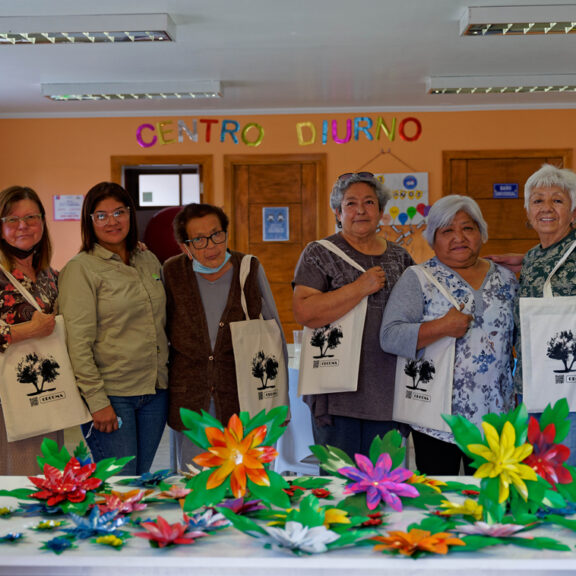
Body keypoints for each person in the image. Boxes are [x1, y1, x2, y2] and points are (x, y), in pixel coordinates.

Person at [380, 195, 517, 475]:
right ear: (433, 238)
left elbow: (521, 341)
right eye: (447, 230)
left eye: (468, 228)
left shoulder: (506, 279)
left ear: (481, 233)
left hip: (496, 417)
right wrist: (441, 327)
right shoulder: (417, 278)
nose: (459, 237)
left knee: (492, 501)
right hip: (436, 419)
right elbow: (390, 336)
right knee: (440, 500)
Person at [292, 172, 413, 459]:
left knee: (387, 485)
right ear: (338, 211)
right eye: (351, 203)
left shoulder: (400, 257)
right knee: (338, 486)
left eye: (369, 202)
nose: (361, 210)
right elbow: (305, 312)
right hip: (336, 395)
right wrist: (359, 288)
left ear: (381, 211)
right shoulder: (319, 253)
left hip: (390, 394)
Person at [163, 202, 287, 472]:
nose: (211, 246)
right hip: (191, 402)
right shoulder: (172, 272)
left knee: (247, 483)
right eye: (199, 239)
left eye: (216, 234)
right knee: (195, 484)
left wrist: (281, 402)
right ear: (185, 246)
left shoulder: (248, 268)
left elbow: (274, 337)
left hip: (244, 400)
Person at [58, 182, 169, 475]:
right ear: (89, 221)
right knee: (119, 487)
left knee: (141, 480)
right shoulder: (81, 269)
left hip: (155, 391)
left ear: (131, 215)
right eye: (101, 215)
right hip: (112, 395)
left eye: (119, 212)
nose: (112, 221)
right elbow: (77, 344)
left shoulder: (148, 259)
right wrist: (96, 402)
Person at [514, 164, 576, 465]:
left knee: (564, 482)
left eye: (558, 200)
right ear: (528, 211)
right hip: (532, 385)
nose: (547, 208)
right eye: (538, 200)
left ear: (574, 212)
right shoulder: (531, 257)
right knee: (536, 479)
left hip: (570, 392)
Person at [0, 186, 62, 475]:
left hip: (47, 393)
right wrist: (25, 331)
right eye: (11, 219)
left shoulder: (50, 275)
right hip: (6, 401)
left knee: (49, 476)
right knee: (17, 483)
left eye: (31, 217)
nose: (22, 226)